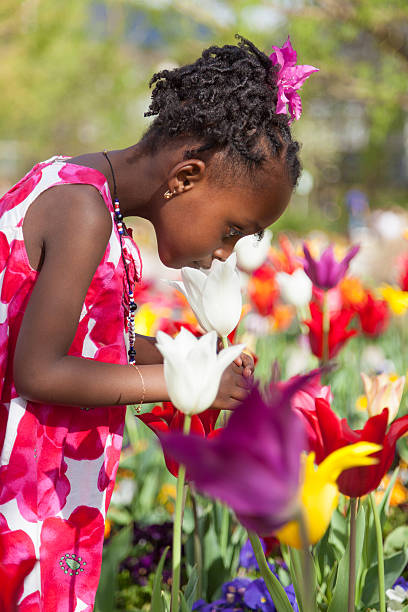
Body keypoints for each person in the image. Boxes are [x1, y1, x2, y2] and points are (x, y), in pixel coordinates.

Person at [0, 35, 316, 611]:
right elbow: (39, 371)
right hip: (22, 491)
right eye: (231, 231)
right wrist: (181, 387)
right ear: (187, 176)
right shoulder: (83, 210)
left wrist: (187, 355)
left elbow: (86, 343)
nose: (226, 255)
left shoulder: (85, 193)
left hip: (48, 483)